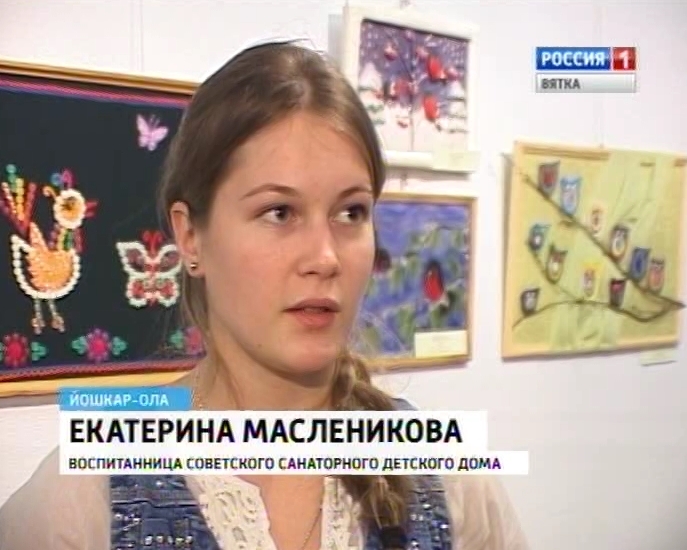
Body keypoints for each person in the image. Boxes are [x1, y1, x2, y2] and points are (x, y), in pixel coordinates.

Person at [0, 40, 529, 550]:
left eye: (351, 212)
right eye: (279, 212)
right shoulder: (79, 502)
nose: (325, 256)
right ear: (191, 237)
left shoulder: (451, 482)